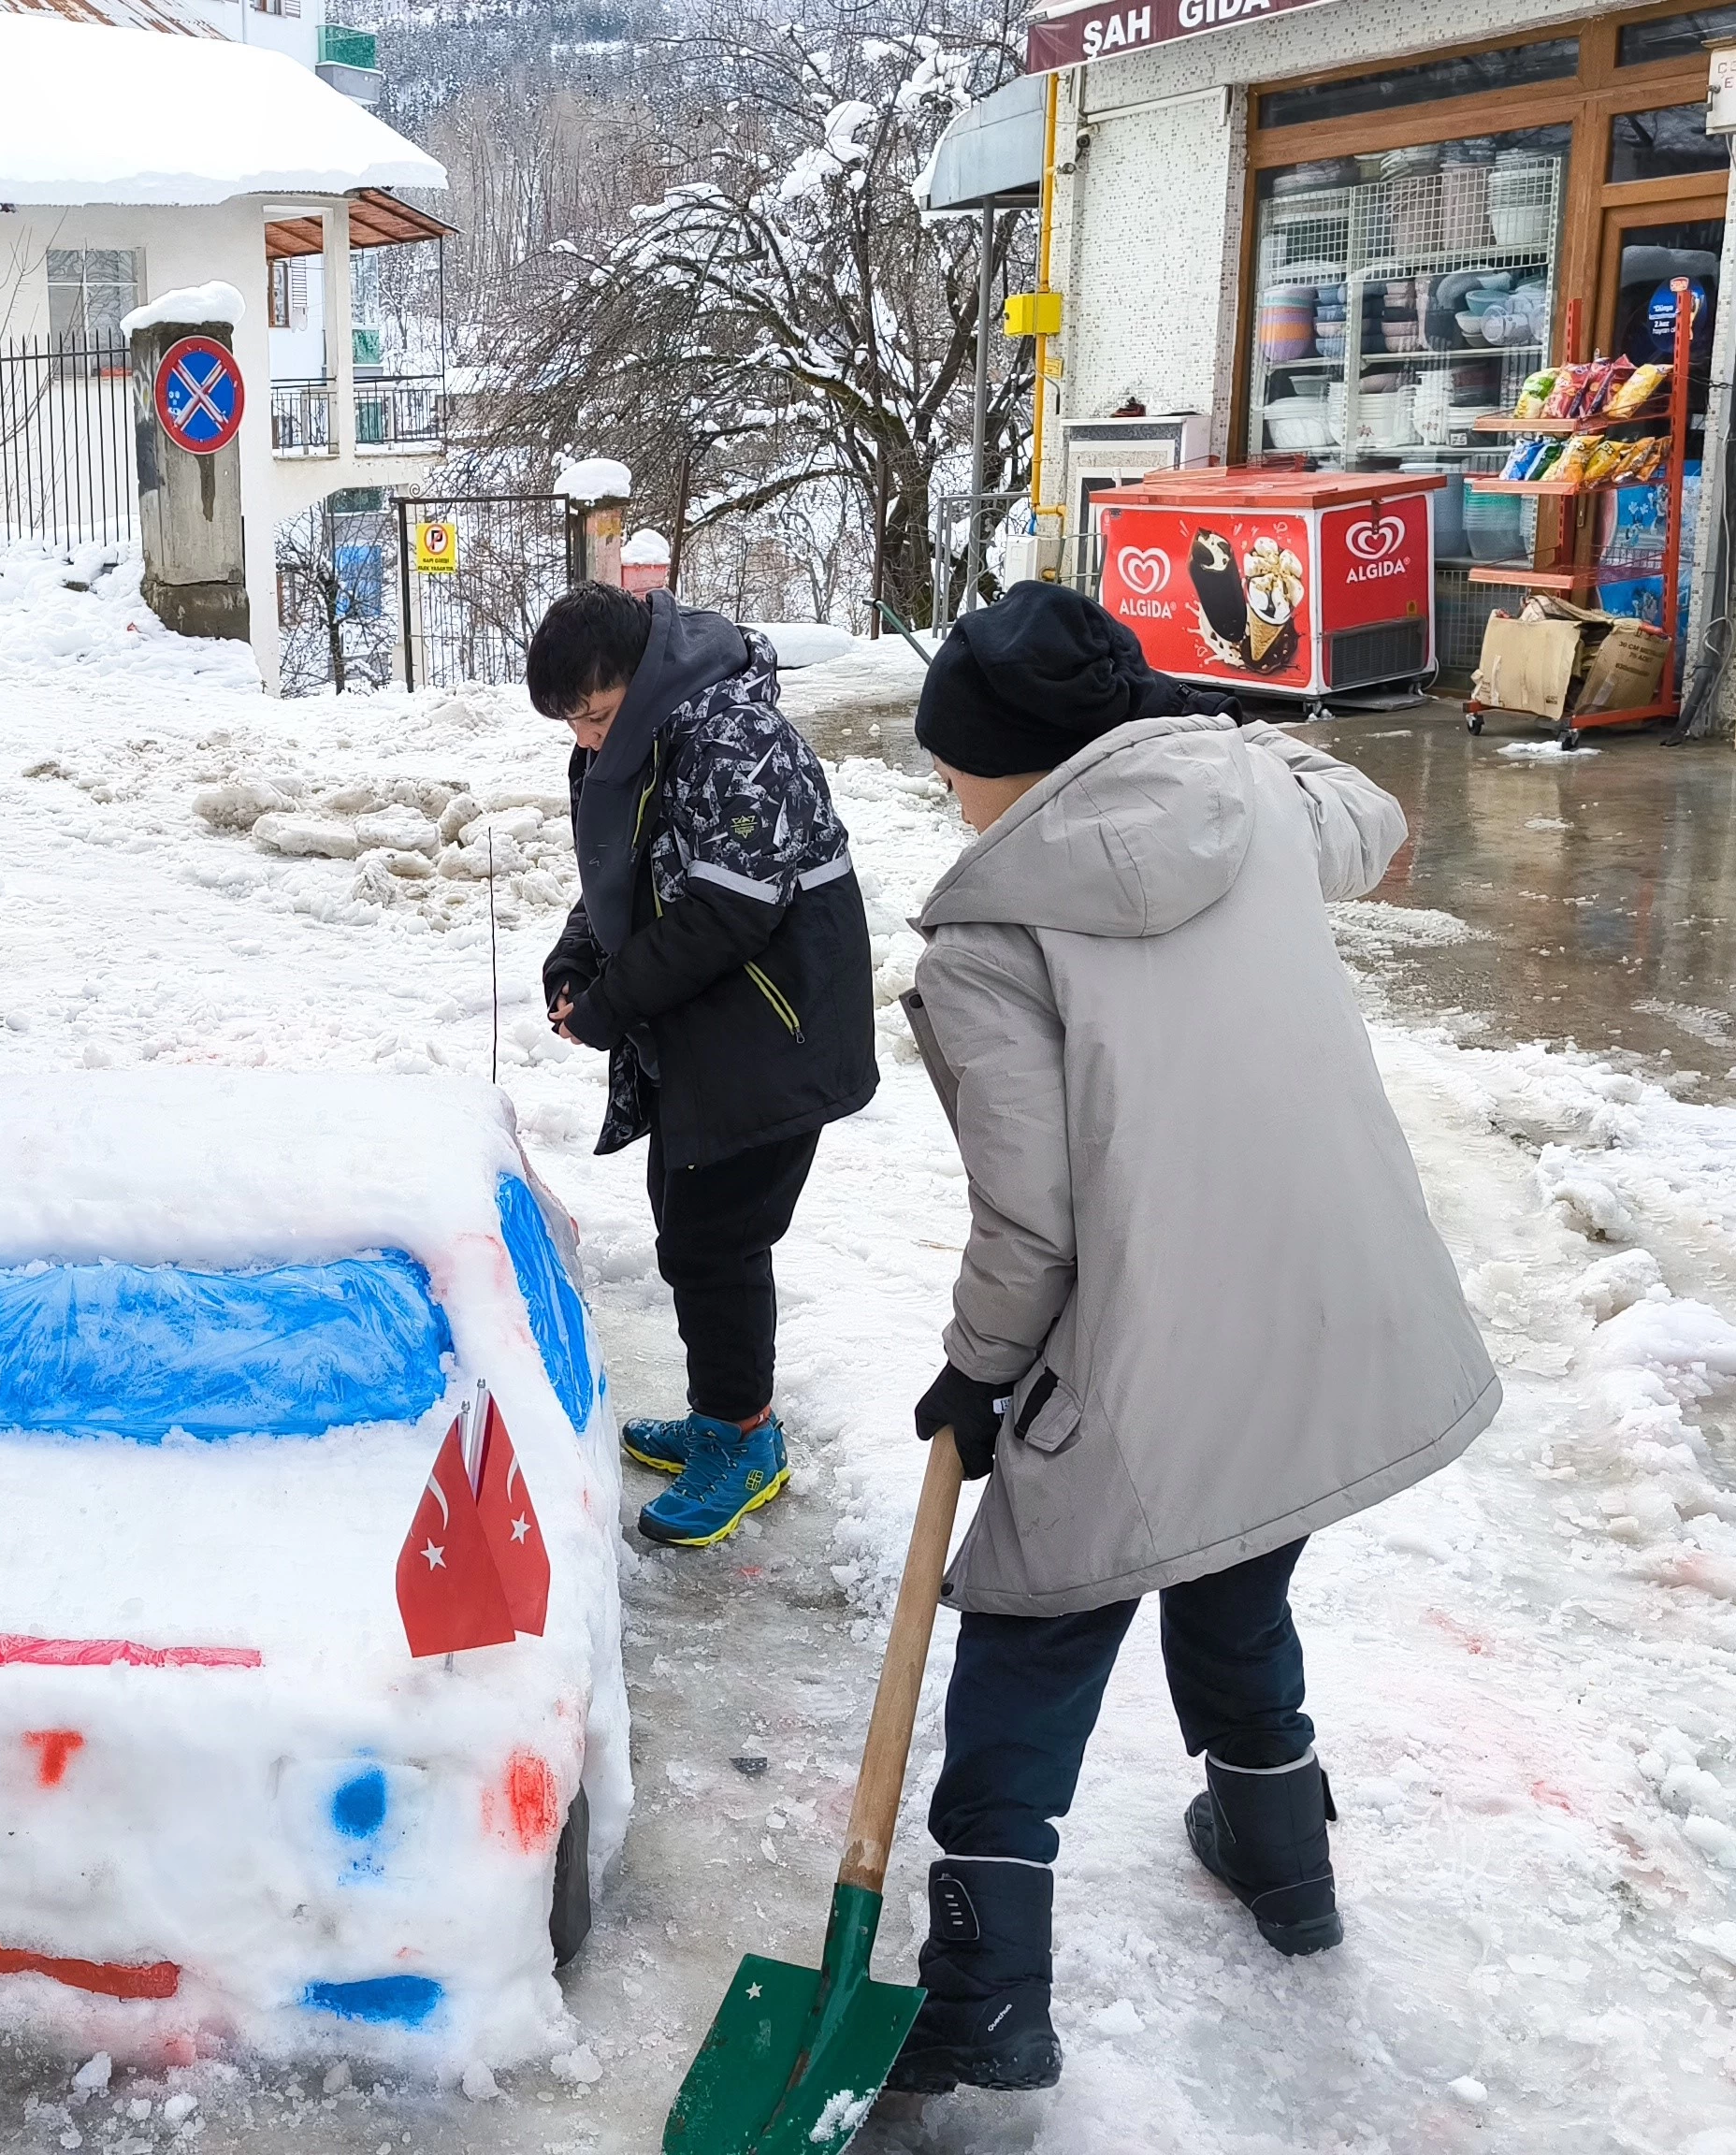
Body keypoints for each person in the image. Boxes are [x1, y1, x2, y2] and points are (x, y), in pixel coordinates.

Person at [889, 583, 1499, 2096]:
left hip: (1159, 1327)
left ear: (1008, 761)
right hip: (1327, 1297)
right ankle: (1280, 1848)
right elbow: (1367, 804)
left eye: (952, 758)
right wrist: (1184, 716)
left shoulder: (987, 937)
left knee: (1033, 1626)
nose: (946, 789)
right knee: (1240, 1547)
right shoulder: (1254, 796)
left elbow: (1033, 1228)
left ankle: (981, 2011)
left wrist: (977, 1374)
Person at [526, 584, 876, 1549]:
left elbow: (725, 910)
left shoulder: (735, 739)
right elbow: (629, 875)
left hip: (774, 1029)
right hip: (707, 1030)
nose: (587, 741)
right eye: (572, 725)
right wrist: (579, 959)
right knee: (687, 1221)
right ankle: (721, 1412)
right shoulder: (640, 736)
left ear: (638, 678)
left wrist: (613, 1003)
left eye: (595, 716)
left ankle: (744, 1439)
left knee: (716, 1240)